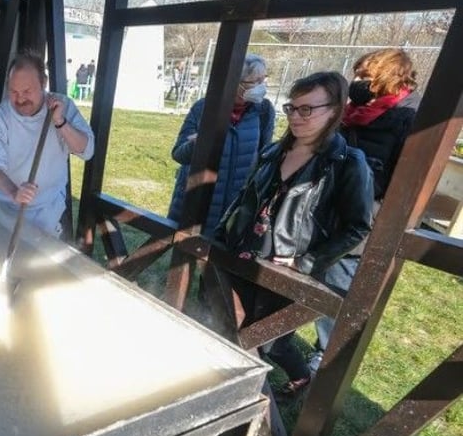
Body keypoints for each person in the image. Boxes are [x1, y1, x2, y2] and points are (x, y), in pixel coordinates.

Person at [214, 71, 373, 398]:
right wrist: (221, 235)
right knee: (230, 325)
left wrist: (306, 261)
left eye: (307, 109)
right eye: (292, 108)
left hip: (285, 268)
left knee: (270, 343)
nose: (297, 117)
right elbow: (246, 196)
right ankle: (229, 394)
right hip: (243, 255)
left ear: (334, 110)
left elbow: (358, 227)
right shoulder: (274, 152)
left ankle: (295, 381)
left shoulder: (346, 163)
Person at [305, 48, 420, 375]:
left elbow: (402, 187)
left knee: (337, 296)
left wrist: (366, 217)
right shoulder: (352, 114)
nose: (357, 82)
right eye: (357, 75)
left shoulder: (407, 122)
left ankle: (324, 363)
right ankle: (285, 344)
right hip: (323, 216)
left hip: (358, 228)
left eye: (366, 77)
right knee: (307, 285)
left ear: (389, 79)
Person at [0, 50, 95, 237]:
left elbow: (86, 150)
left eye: (27, 91)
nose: (20, 99)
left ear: (43, 83)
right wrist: (14, 192)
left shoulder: (62, 106)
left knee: (40, 265)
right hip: (6, 208)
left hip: (48, 211)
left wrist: (60, 122)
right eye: (14, 92)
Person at [167, 54, 275, 234]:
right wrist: (198, 143)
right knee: (184, 253)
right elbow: (178, 154)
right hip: (198, 199)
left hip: (233, 205)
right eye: (255, 81)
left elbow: (263, 157)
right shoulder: (203, 107)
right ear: (236, 82)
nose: (262, 87)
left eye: (264, 80)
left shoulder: (264, 111)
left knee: (219, 257)